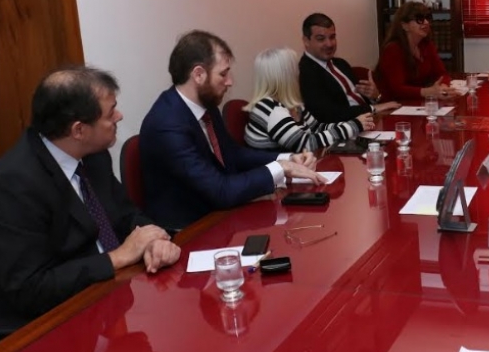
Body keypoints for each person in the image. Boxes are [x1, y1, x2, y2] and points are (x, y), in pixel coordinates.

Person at [0, 66, 181, 332]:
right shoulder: (14, 184)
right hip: (50, 323)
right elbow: (30, 288)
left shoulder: (93, 154)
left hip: (113, 297)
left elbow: (126, 214)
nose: (119, 116)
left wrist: (153, 240)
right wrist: (116, 257)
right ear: (79, 130)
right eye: (110, 113)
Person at [140, 30, 324, 229]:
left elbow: (233, 154)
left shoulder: (206, 105)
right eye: (223, 74)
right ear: (198, 74)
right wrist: (280, 168)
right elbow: (220, 191)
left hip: (218, 213)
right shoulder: (167, 125)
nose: (230, 81)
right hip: (190, 229)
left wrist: (287, 159)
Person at [245, 47, 374, 151]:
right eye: (294, 69)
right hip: (279, 174)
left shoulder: (293, 104)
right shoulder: (270, 109)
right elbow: (306, 143)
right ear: (285, 77)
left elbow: (317, 128)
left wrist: (356, 123)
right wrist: (353, 126)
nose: (298, 73)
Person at [298, 12, 399, 123]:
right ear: (306, 41)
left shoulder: (340, 64)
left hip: (371, 122)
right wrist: (372, 108)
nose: (329, 44)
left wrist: (375, 97)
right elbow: (328, 114)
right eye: (321, 39)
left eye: (332, 37)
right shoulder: (306, 72)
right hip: (348, 128)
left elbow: (360, 99)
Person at [374, 1, 452, 100]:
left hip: (416, 102)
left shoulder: (427, 45)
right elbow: (397, 89)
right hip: (394, 104)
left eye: (427, 18)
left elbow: (442, 74)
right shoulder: (393, 49)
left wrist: (443, 87)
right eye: (419, 19)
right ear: (404, 26)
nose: (426, 23)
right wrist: (427, 92)